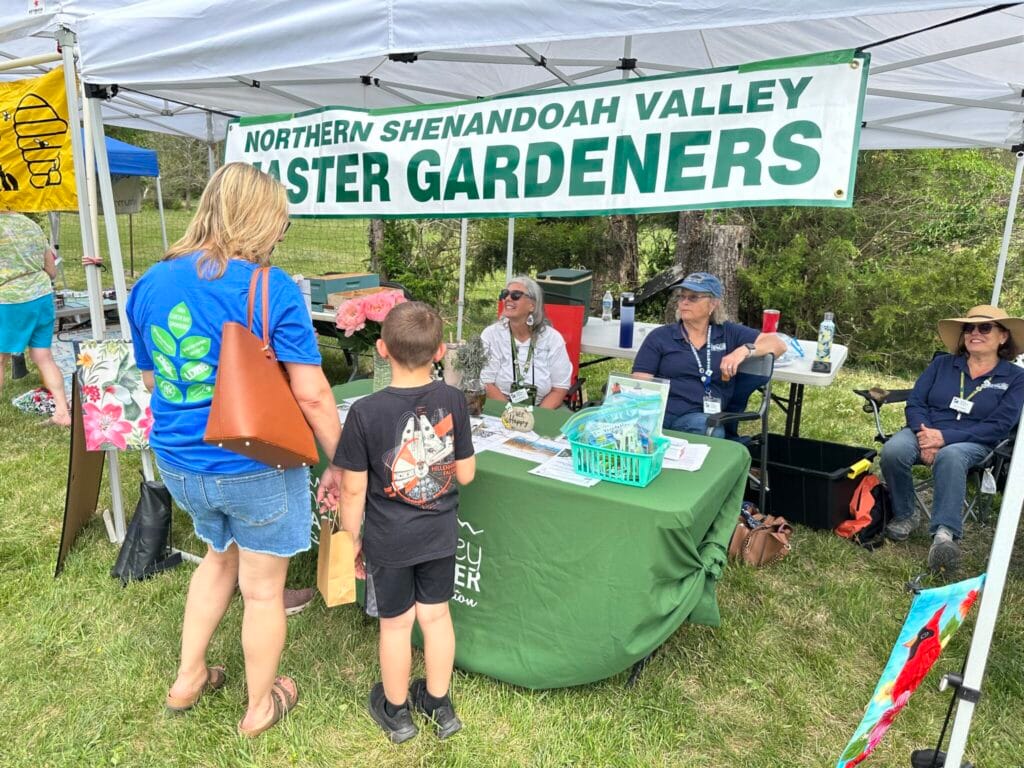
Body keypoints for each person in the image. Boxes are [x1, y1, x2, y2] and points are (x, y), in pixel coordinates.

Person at [126, 163, 341, 736]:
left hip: (179, 462)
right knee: (264, 589)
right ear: (263, 219)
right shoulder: (270, 288)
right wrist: (344, 461)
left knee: (219, 559)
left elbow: (153, 382)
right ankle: (259, 707)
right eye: (281, 224)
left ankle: (188, 677)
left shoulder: (149, 282)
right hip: (254, 462)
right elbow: (314, 397)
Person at [325, 301, 475, 743]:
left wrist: (350, 540)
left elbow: (353, 491)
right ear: (441, 351)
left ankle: (397, 712)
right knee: (436, 617)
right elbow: (465, 473)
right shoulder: (453, 400)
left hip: (389, 540)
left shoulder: (364, 412)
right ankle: (439, 705)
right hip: (440, 534)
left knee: (395, 624)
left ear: (381, 349)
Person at [881, 305, 1024, 574]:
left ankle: (944, 535)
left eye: (984, 328)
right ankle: (906, 514)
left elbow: (1000, 425)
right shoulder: (942, 365)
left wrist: (944, 439)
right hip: (926, 430)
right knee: (894, 450)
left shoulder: (1016, 378)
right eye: (969, 328)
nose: (974, 333)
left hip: (975, 440)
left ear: (1003, 337)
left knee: (952, 455)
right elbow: (915, 403)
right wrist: (925, 435)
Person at [631, 272, 785, 436]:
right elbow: (640, 382)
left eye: (693, 297)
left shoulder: (728, 333)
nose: (684, 302)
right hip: (659, 414)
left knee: (711, 430)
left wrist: (744, 350)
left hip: (698, 419)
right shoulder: (661, 336)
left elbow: (777, 344)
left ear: (713, 304)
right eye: (681, 297)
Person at [0, 211, 70, 426]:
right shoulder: (29, 223)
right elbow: (51, 269)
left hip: (10, 300)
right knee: (43, 356)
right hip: (41, 297)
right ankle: (62, 412)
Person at [480, 275, 572, 409]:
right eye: (505, 294)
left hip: (543, 409)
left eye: (516, 295)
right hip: (500, 408)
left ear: (532, 306)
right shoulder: (492, 335)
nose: (508, 298)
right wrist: (512, 415)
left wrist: (537, 417)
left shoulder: (552, 339)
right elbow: (486, 383)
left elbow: (559, 388)